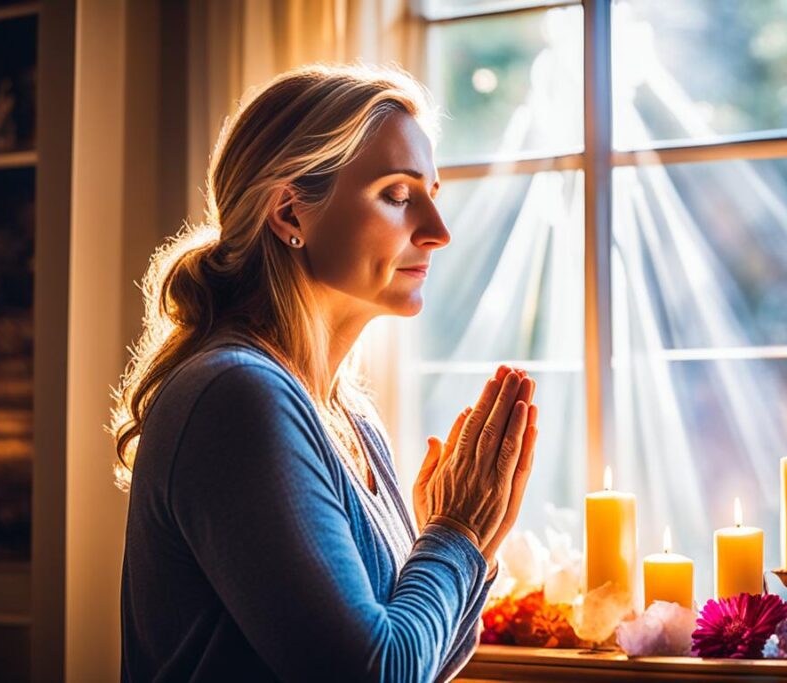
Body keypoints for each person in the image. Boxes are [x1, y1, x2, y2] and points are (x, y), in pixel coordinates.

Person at [111, 63, 538, 682]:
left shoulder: (350, 417)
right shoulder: (236, 395)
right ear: (290, 214)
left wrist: (473, 539)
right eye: (397, 196)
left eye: (432, 196)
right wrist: (454, 533)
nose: (439, 233)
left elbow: (425, 662)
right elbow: (373, 672)